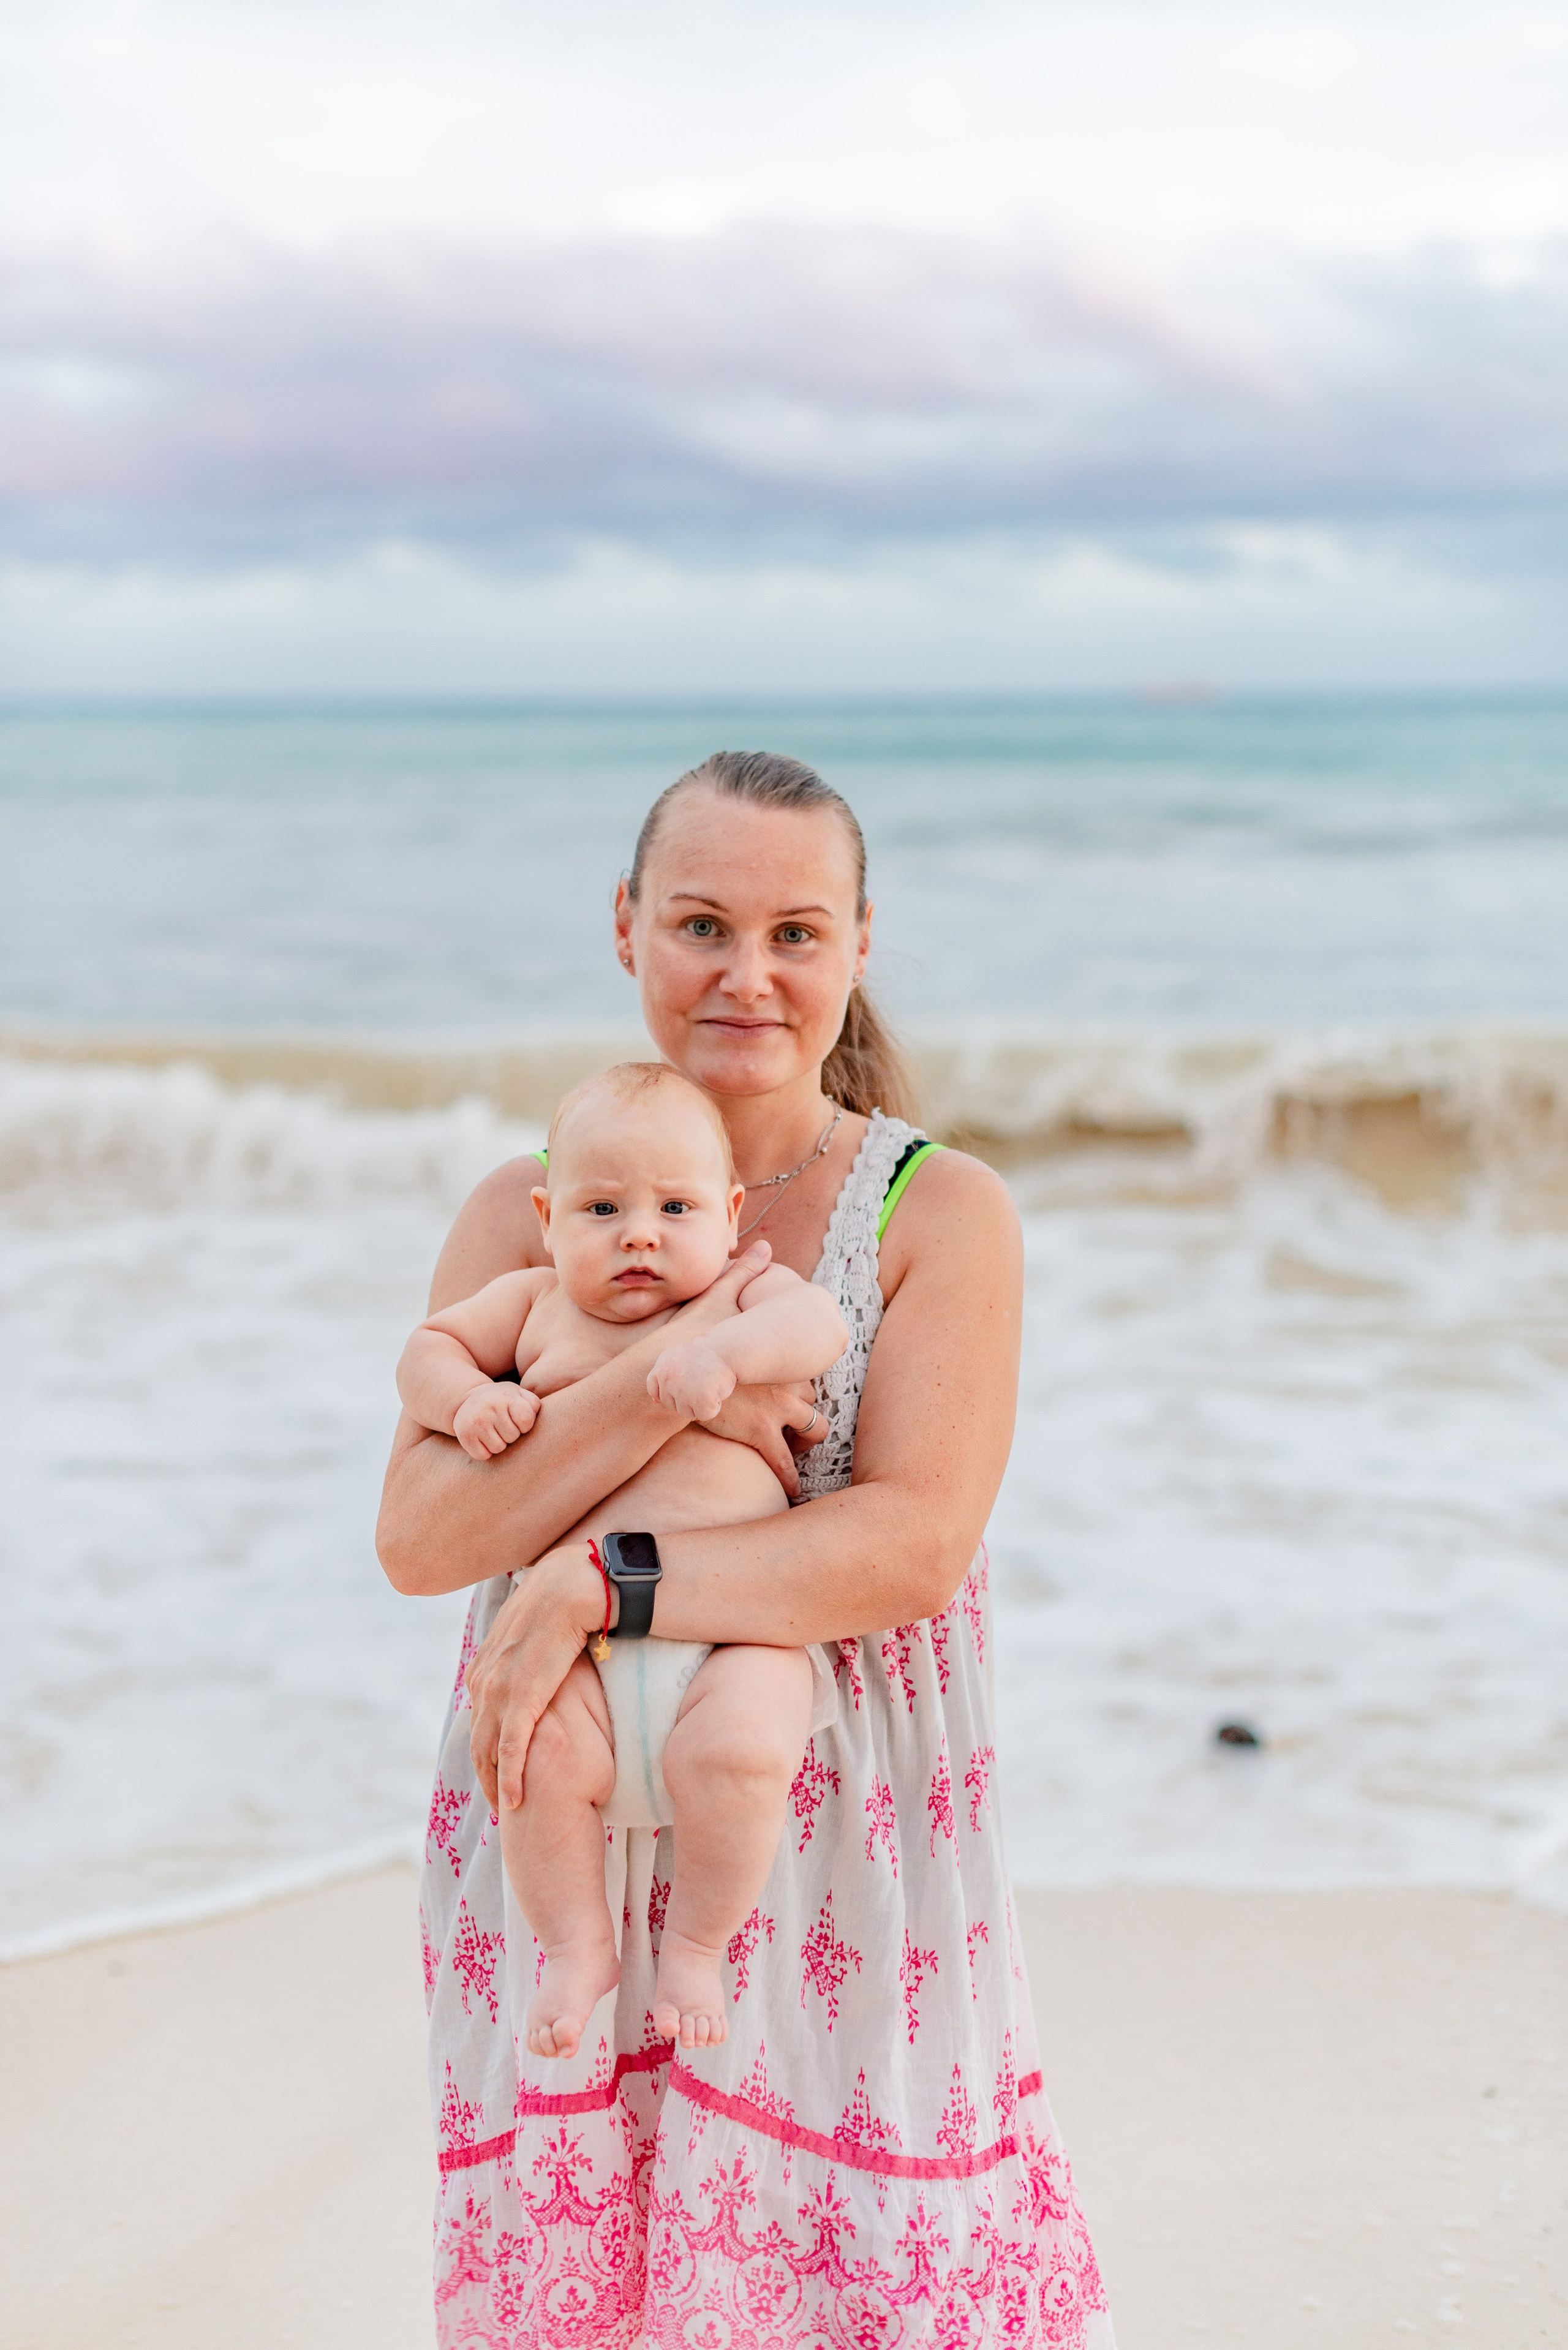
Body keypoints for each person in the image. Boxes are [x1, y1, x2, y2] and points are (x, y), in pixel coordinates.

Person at [378, 750, 1115, 2349]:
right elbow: (423, 1534)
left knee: (849, 2269)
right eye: (703, 922)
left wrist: (597, 1574)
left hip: (830, 1800)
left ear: (859, 944)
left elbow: (911, 1545)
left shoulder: (938, 1207)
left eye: (796, 931)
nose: (747, 973)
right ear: (628, 925)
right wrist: (652, 1381)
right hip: (549, 1791)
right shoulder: (532, 1202)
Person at [394, 1059, 848, 2058]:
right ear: (548, 1218)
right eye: (603, 1207)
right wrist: (467, 1399)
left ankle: (696, 1943)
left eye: (675, 1206)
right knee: (537, 1760)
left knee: (741, 1753)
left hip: (729, 1631)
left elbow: (823, 1324)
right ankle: (576, 1943)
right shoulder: (531, 1303)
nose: (640, 1231)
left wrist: (729, 1357)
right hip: (579, 1662)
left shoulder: (744, 1291)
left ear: (731, 1214)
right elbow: (424, 1352)